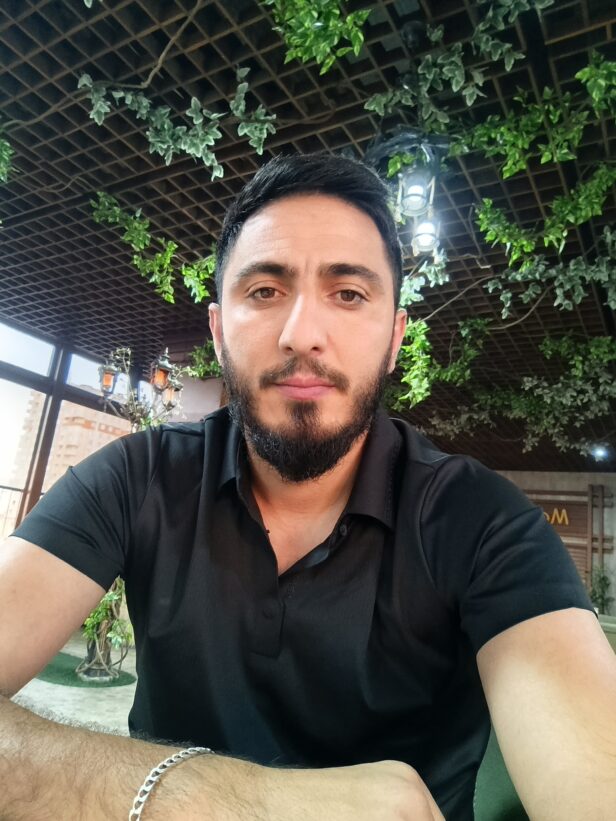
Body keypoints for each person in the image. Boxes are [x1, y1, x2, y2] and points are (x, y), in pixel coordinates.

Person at [1, 153, 614, 821]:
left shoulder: (484, 522)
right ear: (218, 331)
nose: (302, 335)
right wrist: (238, 800)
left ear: (395, 339)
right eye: (265, 291)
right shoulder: (136, 477)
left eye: (348, 294)